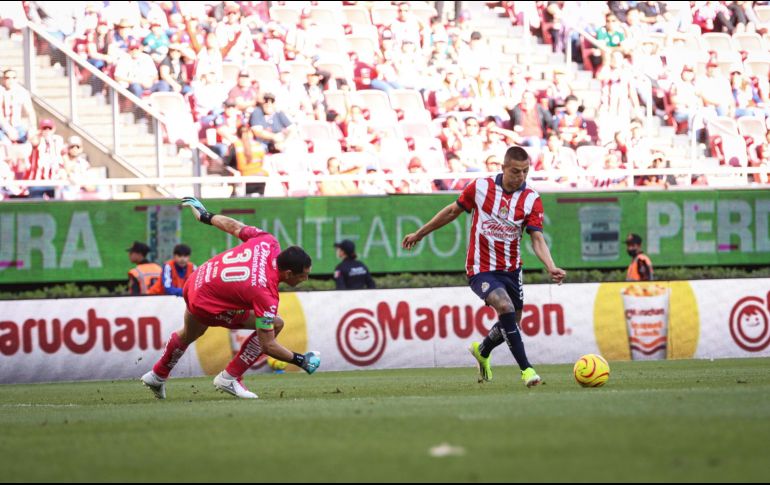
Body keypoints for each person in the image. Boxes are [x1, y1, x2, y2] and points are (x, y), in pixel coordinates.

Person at [402, 146, 567, 387]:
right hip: (481, 267)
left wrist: (550, 266)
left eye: (525, 172)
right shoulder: (480, 187)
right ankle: (527, 370)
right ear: (503, 168)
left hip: (512, 269)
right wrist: (420, 233)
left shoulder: (532, 199)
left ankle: (483, 350)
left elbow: (537, 238)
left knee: (512, 320)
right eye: (515, 171)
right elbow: (451, 211)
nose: (520, 176)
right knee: (504, 306)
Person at [141, 197, 320, 400]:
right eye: (303, 275)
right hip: (206, 303)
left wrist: (207, 216)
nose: (306, 278)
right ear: (288, 273)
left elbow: (235, 226)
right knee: (276, 324)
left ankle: (157, 374)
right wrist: (301, 360)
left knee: (188, 334)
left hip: (196, 281)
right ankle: (230, 377)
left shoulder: (268, 242)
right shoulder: (266, 294)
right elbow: (268, 345)